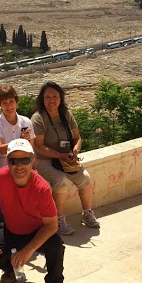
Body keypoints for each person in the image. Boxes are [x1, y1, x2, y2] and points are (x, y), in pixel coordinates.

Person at [0, 139, 68, 283]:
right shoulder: (0, 177)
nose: (19, 166)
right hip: (11, 230)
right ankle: (10, 268)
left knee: (56, 246)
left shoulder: (42, 188)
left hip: (37, 231)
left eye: (25, 160)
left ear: (33, 161)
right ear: (7, 162)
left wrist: (28, 251)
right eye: (14, 161)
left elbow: (52, 225)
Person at [31, 82, 100, 234]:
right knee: (60, 181)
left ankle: (87, 213)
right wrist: (60, 155)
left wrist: (75, 151)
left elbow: (77, 137)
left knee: (85, 179)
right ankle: (58, 219)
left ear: (60, 98)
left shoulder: (66, 114)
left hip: (66, 158)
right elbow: (38, 146)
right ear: (42, 99)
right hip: (45, 160)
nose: (52, 100)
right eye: (48, 97)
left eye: (55, 96)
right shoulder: (38, 118)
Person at [0, 85, 33, 170]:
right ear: (0, 105)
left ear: (16, 102)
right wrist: (21, 141)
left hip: (22, 167)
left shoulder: (26, 122)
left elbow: (31, 149)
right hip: (0, 167)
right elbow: (1, 149)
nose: (9, 106)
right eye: (5, 103)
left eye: (11, 101)